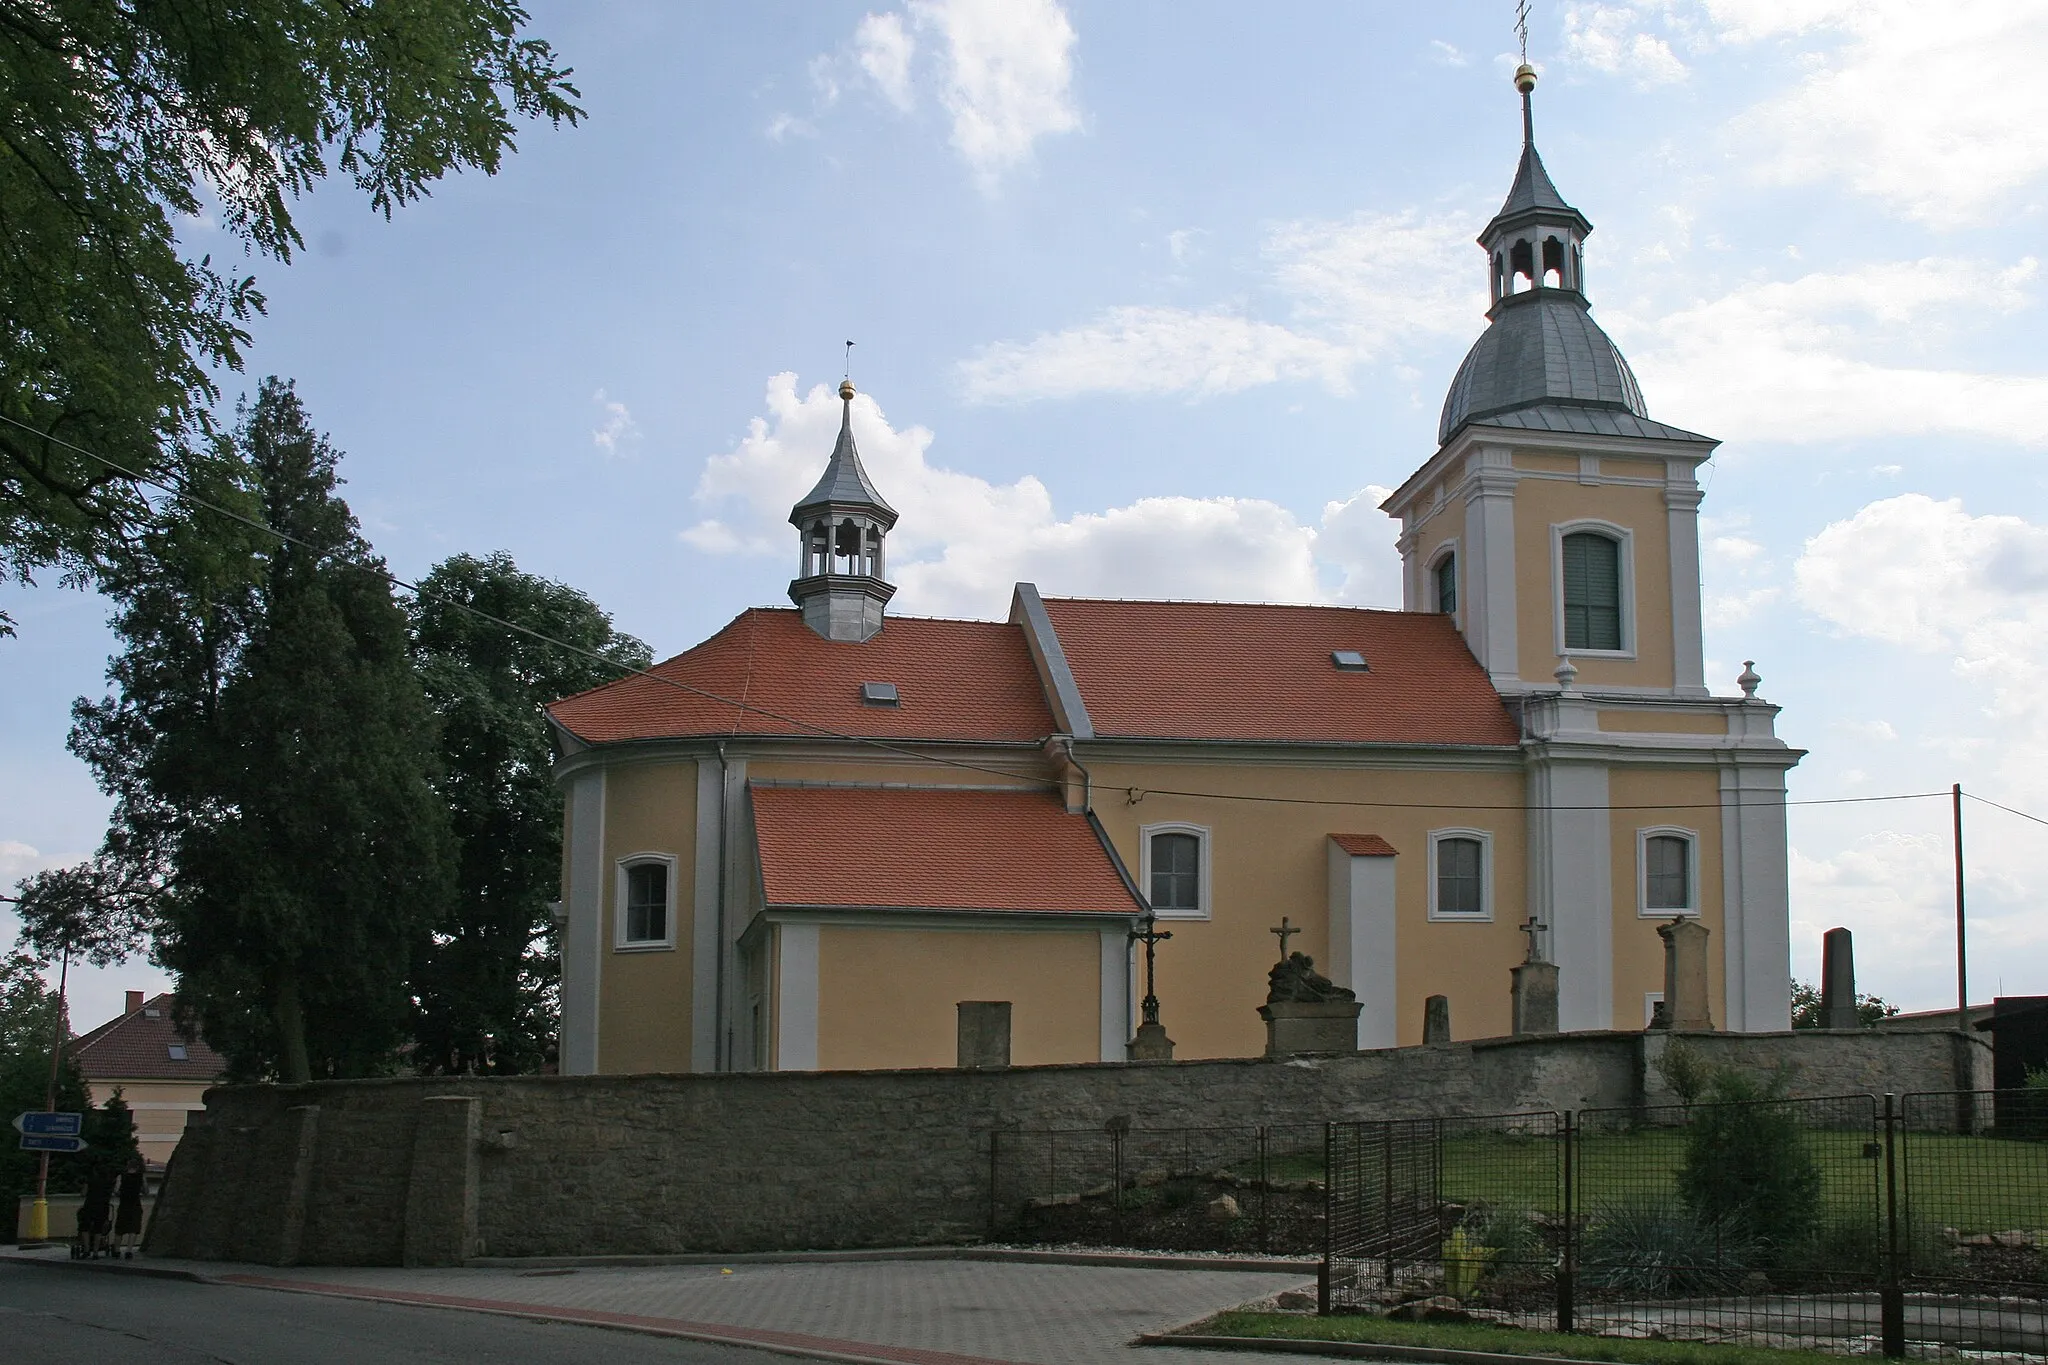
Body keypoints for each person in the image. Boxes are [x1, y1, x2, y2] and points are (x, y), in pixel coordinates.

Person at [76, 1164, 114, 1259]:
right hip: (103, 1207)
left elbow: (83, 1194)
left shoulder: (90, 1181)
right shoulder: (108, 1182)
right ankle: (96, 1253)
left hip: (90, 1206)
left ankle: (86, 1249)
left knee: (84, 1227)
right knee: (98, 1229)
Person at [113, 1155, 146, 1259]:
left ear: (127, 1166)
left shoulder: (121, 1176)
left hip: (124, 1204)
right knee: (134, 1228)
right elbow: (146, 1190)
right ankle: (129, 1250)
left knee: (120, 1229)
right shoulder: (141, 1176)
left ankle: (117, 1250)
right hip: (135, 1204)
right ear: (137, 1167)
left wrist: (121, 1193)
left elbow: (116, 1191)